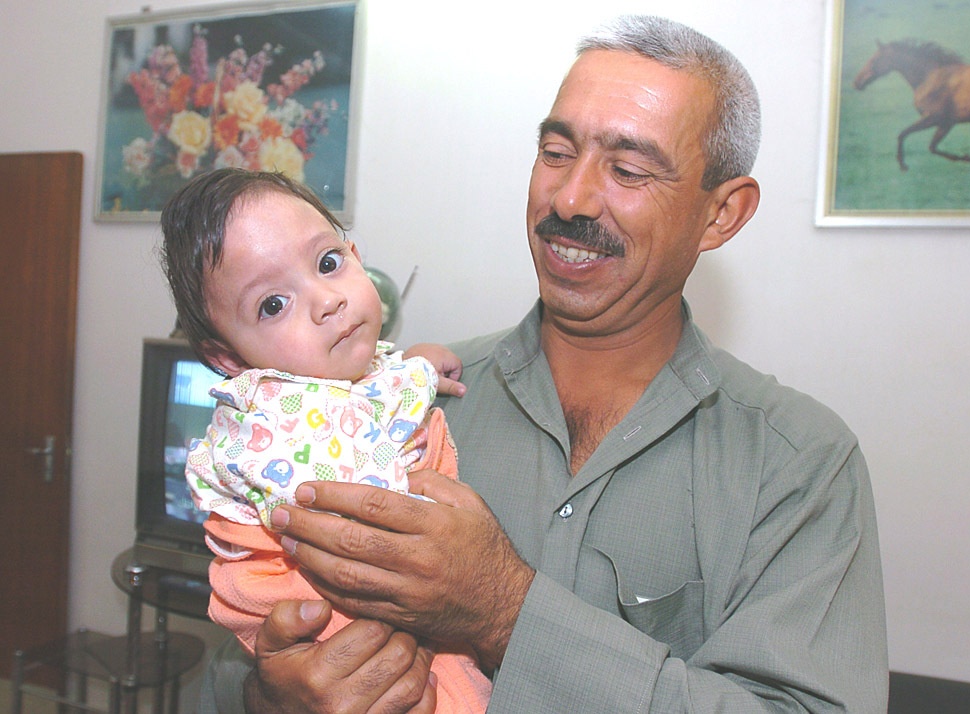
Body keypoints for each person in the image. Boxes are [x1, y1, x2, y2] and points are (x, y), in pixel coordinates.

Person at [200, 15, 889, 713]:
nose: (570, 199)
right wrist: (274, 697)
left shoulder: (798, 465)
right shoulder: (395, 404)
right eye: (556, 152)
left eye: (626, 169)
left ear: (722, 214)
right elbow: (241, 633)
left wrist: (505, 612)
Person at [159, 168, 490, 712]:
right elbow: (369, 459)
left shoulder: (335, 377)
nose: (326, 302)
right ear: (228, 359)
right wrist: (421, 373)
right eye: (273, 304)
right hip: (328, 608)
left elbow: (373, 388)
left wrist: (414, 363)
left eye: (328, 264)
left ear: (354, 254)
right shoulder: (274, 417)